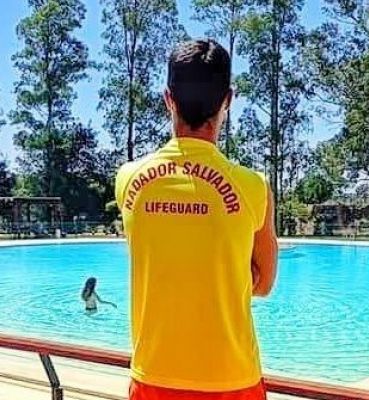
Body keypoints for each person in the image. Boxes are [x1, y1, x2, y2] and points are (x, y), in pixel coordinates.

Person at [116, 39, 278, 400]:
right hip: (232, 379)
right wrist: (224, 277)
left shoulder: (129, 180)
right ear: (227, 100)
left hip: (153, 375)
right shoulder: (253, 187)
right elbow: (264, 283)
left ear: (168, 99)